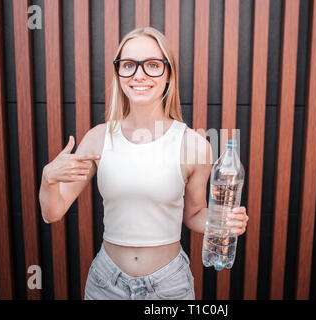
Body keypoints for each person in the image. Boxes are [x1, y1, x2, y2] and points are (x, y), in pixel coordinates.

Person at [39, 27, 249, 300]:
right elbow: (51, 213)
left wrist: (222, 222)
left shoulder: (195, 145)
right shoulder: (97, 139)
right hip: (106, 284)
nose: (139, 75)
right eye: (129, 65)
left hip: (169, 286)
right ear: (118, 74)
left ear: (168, 74)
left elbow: (194, 214)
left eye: (152, 65)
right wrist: (48, 178)